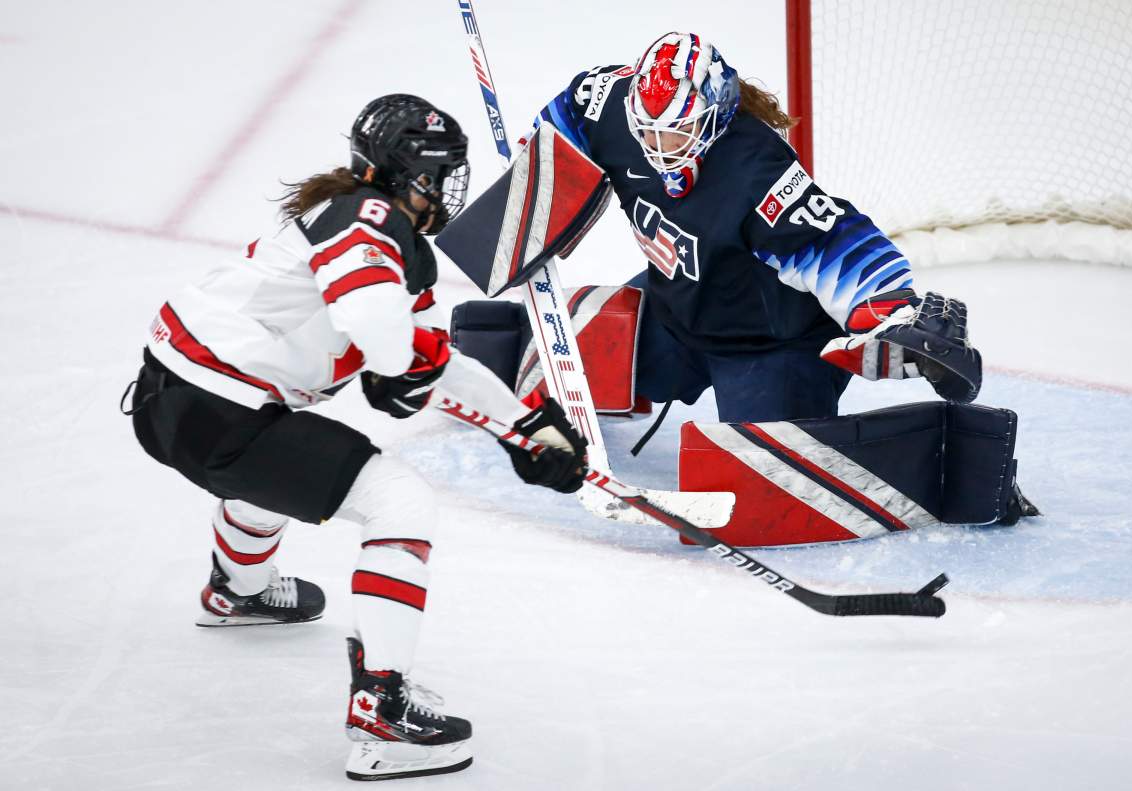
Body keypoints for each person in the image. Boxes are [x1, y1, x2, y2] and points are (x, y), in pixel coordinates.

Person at [121, 94, 588, 781]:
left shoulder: (358, 220)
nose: (450, 190)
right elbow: (377, 324)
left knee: (281, 459)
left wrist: (522, 426)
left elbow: (426, 357)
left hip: (170, 401)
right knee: (398, 501)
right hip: (220, 413)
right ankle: (383, 713)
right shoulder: (371, 220)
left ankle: (240, 586)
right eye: (444, 173)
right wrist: (393, 361)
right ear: (413, 176)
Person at [521, 32, 956, 423]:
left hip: (770, 344)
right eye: (647, 132)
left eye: (677, 131)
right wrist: (531, 162)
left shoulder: (755, 168)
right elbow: (571, 112)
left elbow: (833, 241)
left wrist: (891, 315)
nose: (658, 148)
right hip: (677, 312)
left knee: (765, 481)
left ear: (716, 112)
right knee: (554, 362)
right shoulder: (610, 105)